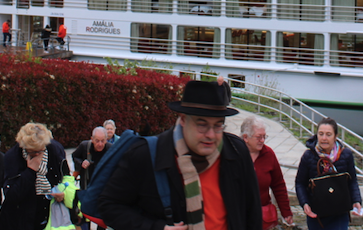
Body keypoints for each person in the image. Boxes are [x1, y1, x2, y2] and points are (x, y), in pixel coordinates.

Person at [97, 79, 261, 230]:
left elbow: (252, 211)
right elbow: (109, 205)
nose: (211, 135)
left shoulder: (236, 151)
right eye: (202, 125)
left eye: (218, 125)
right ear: (183, 119)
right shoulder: (146, 155)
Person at [0, 123, 70, 230]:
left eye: (40, 150)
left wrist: (64, 193)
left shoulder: (54, 150)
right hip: (22, 218)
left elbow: (67, 178)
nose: (37, 155)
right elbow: (11, 196)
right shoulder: (12, 157)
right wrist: (30, 171)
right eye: (32, 152)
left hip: (52, 215)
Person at [295, 117, 362, 230]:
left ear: (335, 136)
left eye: (328, 134)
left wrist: (356, 200)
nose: (324, 138)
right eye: (321, 134)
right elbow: (300, 183)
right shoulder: (308, 156)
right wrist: (305, 203)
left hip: (339, 213)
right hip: (316, 213)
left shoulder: (346, 155)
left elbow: (352, 181)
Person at [241, 116, 293, 230]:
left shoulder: (269, 154)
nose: (263, 140)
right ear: (245, 137)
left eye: (264, 137)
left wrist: (286, 212)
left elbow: (278, 185)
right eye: (259, 137)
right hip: (237, 216)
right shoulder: (234, 154)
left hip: (262, 218)